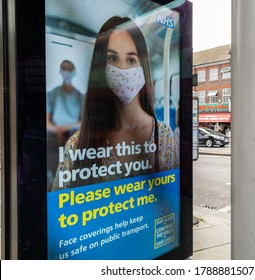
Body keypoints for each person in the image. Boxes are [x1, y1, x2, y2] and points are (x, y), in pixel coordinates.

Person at [52, 16, 178, 191]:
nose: (122, 70)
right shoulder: (78, 143)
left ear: (143, 68)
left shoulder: (163, 136)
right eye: (112, 59)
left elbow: (171, 199)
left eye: (131, 60)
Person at [47, 60, 84, 189]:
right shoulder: (52, 94)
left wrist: (67, 129)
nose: (67, 71)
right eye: (64, 68)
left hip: (73, 130)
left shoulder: (80, 96)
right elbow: (47, 121)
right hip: (53, 132)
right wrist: (56, 130)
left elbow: (82, 121)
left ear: (74, 72)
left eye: (69, 68)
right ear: (60, 71)